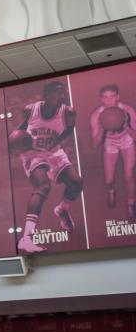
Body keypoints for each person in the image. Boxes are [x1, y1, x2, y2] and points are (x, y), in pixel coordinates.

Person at [15, 81, 83, 252]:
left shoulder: (68, 111)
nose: (61, 96)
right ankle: (26, 238)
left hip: (54, 152)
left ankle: (61, 210)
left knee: (76, 184)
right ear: (46, 96)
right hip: (33, 153)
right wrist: (17, 143)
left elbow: (69, 129)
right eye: (57, 93)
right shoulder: (30, 110)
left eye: (63, 93)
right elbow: (20, 131)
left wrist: (57, 141)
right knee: (43, 186)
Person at [89, 84, 136, 219]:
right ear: (101, 99)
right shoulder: (96, 115)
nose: (109, 100)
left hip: (127, 141)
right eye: (105, 97)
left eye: (112, 96)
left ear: (118, 97)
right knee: (109, 179)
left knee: (129, 175)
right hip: (110, 143)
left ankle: (131, 205)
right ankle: (111, 192)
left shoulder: (128, 110)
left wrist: (126, 126)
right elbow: (95, 145)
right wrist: (103, 128)